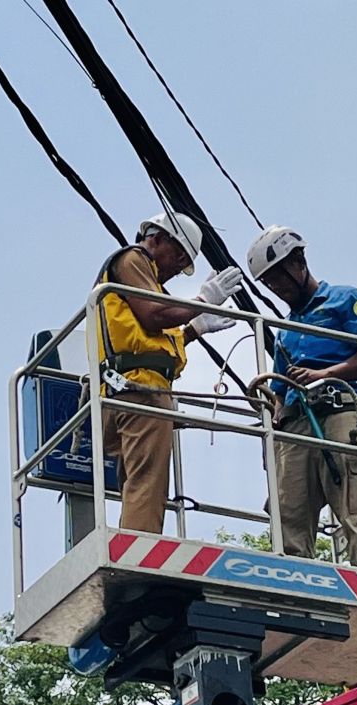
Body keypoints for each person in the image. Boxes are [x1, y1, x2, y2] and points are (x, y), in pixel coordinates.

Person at [245, 225, 357, 570]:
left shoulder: (346, 299)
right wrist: (273, 426)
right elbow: (279, 390)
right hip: (297, 423)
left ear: (299, 262)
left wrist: (324, 374)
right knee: (289, 512)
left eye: (278, 279)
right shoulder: (286, 332)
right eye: (269, 284)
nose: (277, 289)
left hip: (338, 410)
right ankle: (293, 584)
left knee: (355, 503)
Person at [95, 212, 242, 534]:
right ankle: (139, 550)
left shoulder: (145, 283)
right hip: (140, 390)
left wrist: (194, 329)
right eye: (179, 257)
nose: (178, 268)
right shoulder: (134, 259)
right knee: (148, 483)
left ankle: (130, 540)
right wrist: (204, 301)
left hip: (123, 387)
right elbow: (153, 316)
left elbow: (148, 341)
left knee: (136, 484)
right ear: (157, 238)